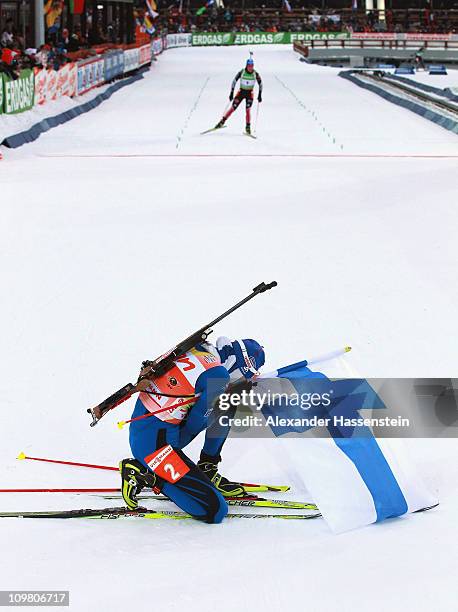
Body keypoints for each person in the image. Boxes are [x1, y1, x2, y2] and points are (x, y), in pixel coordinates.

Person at [120, 337, 265, 523]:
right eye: (245, 375)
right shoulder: (219, 376)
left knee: (227, 404)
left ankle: (208, 468)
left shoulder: (199, 349)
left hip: (147, 430)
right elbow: (193, 426)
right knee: (214, 510)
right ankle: (144, 474)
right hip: (155, 447)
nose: (241, 379)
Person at [214, 57, 263, 135]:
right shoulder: (242, 72)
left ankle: (248, 127)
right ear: (246, 65)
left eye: (252, 66)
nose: (251, 68)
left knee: (248, 110)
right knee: (233, 108)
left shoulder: (255, 74)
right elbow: (234, 81)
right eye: (249, 66)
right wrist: (231, 92)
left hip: (249, 94)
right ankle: (222, 122)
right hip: (241, 92)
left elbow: (260, 84)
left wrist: (260, 94)